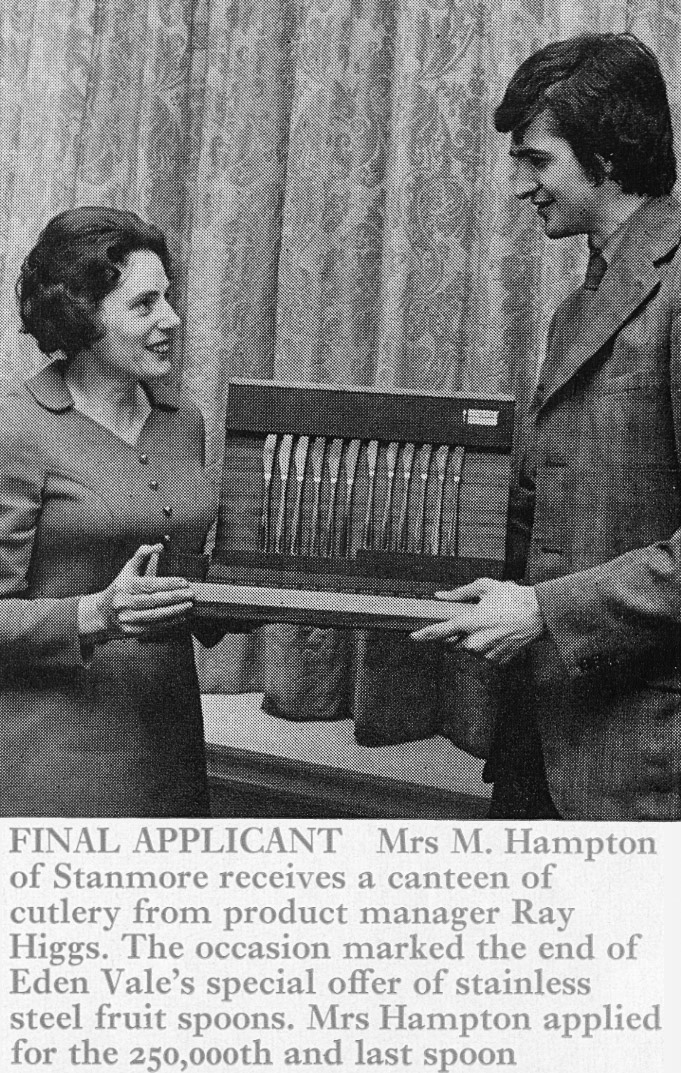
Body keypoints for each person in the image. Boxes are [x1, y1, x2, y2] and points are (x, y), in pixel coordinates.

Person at [413, 33, 681, 820]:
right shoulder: (576, 307)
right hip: (540, 741)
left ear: (606, 152)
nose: (520, 186)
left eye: (536, 160)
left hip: (643, 757)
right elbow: (539, 508)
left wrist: (543, 610)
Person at [0, 206, 221, 816]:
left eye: (170, 300)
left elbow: (191, 587)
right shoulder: (16, 428)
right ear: (81, 313)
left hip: (169, 742)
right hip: (58, 755)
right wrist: (96, 613)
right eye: (145, 305)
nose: (172, 321)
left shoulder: (184, 423)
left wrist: (291, 580)